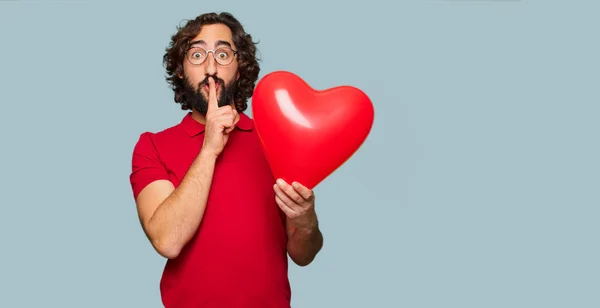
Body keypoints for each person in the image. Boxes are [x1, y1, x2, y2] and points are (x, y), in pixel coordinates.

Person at [128, 11, 324, 308]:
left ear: (240, 68)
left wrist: (306, 221)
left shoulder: (276, 141)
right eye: (196, 55)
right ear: (180, 70)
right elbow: (167, 240)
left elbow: (303, 255)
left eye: (222, 53)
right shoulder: (152, 146)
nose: (210, 67)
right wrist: (209, 149)